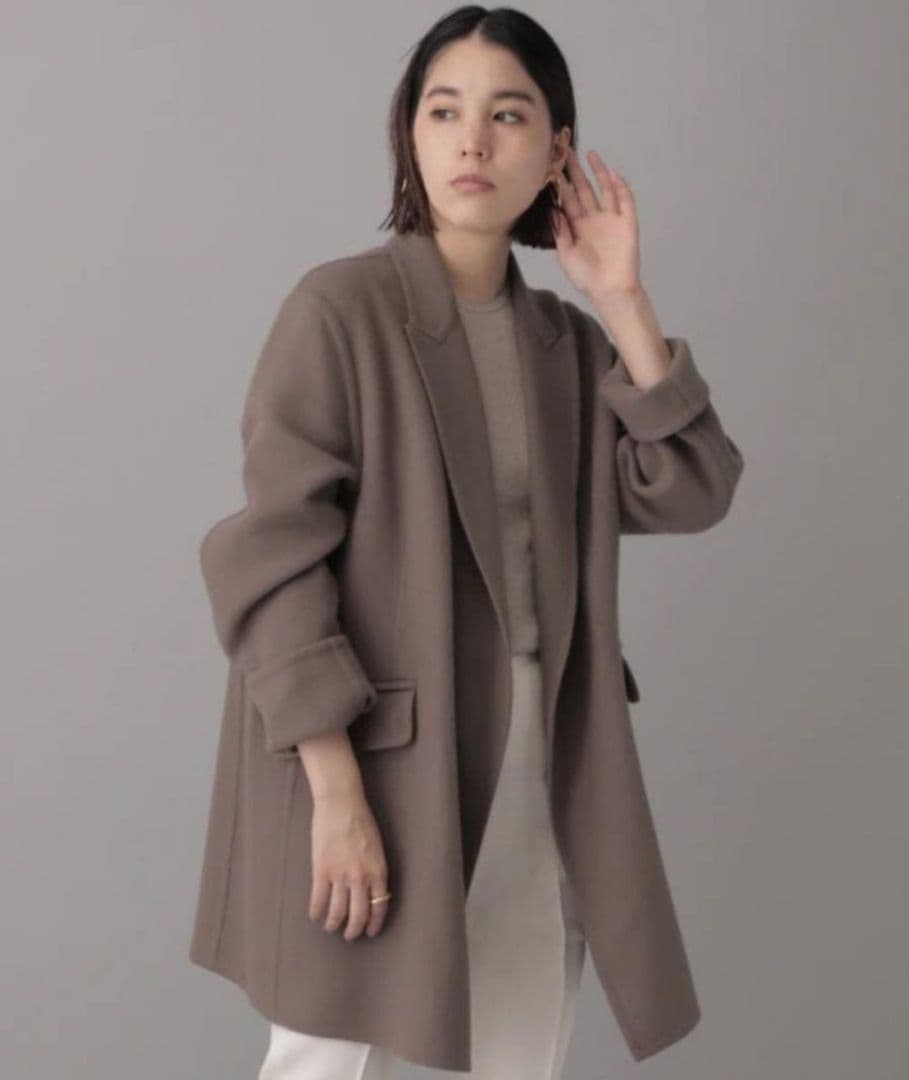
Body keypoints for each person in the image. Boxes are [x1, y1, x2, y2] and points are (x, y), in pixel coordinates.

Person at [189, 7, 745, 1079]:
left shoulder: (567, 346)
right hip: (371, 756)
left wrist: (623, 298)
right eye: (443, 112)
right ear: (410, 134)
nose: (472, 142)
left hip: (540, 753)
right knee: (324, 1057)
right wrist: (335, 792)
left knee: (516, 1049)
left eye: (508, 115)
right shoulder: (341, 311)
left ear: (557, 151)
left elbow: (693, 488)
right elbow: (270, 561)